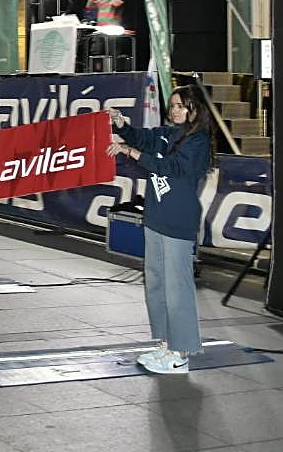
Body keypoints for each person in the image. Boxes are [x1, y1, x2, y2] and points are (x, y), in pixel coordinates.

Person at [107, 84, 213, 375]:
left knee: (177, 289)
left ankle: (182, 353)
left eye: (181, 106)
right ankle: (167, 343)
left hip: (178, 223)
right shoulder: (169, 132)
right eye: (174, 105)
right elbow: (144, 137)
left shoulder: (199, 141)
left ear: (195, 108)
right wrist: (121, 124)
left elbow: (174, 167)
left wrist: (131, 152)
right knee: (156, 284)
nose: (176, 110)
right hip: (155, 218)